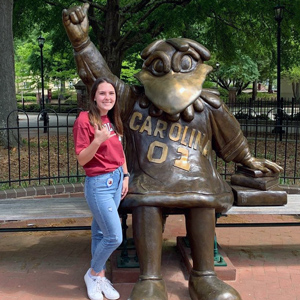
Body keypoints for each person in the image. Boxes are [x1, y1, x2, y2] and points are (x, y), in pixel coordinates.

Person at [64, 5, 283, 300]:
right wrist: (82, 43)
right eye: (160, 65)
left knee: (202, 202)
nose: (170, 72)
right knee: (147, 204)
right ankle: (150, 278)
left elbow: (231, 139)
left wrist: (248, 159)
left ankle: (205, 275)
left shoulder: (209, 106)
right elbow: (101, 80)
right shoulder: (133, 101)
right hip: (149, 182)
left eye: (181, 64)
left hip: (197, 180)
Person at [73, 77, 129, 300]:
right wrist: (96, 141)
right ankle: (93, 273)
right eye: (103, 93)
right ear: (94, 96)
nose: (108, 97)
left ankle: (99, 277)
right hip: (99, 184)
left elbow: (120, 151)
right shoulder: (84, 120)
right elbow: (82, 160)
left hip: (116, 180)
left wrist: (125, 175)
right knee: (114, 237)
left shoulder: (113, 119)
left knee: (100, 232)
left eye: (111, 93)